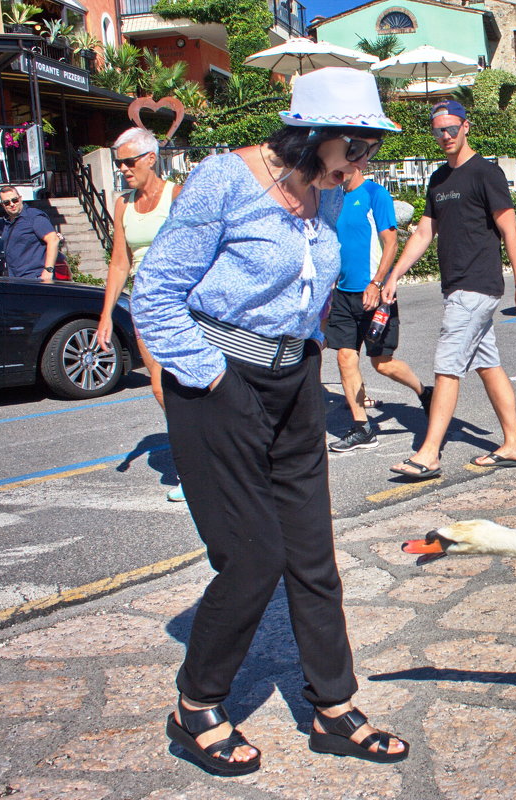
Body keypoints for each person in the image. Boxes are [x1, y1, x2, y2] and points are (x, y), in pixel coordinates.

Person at [132, 67, 408, 777]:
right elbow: (155, 294)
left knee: (313, 555)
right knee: (253, 558)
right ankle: (196, 705)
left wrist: (308, 359)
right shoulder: (226, 180)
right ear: (315, 134)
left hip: (294, 384)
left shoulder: (318, 193)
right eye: (360, 143)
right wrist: (213, 377)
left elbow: (306, 292)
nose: (366, 159)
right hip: (222, 383)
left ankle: (333, 707)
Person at [381, 100, 516, 480]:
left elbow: (509, 230)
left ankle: (429, 454)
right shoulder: (439, 179)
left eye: (451, 128)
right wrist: (394, 274)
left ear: (466, 127)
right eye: (439, 130)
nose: (446, 136)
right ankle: (514, 443)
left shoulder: (486, 173)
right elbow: (423, 232)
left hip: (476, 286)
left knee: (447, 367)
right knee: (487, 364)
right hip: (456, 287)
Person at [96, 127, 185, 500]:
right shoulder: (123, 204)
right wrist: (104, 316)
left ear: (151, 158)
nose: (123, 169)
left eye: (129, 162)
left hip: (180, 302)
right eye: (119, 164)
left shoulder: (177, 195)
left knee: (180, 384)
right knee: (161, 387)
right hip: (143, 304)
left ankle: (200, 460)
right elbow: (119, 262)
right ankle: (192, 460)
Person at [326, 167, 432, 453]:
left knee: (382, 363)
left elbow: (391, 243)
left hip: (375, 293)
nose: (335, 172)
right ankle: (362, 428)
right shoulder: (332, 197)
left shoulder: (375, 194)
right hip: (343, 295)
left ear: (356, 165)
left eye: (340, 168)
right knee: (345, 358)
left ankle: (425, 392)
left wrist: (377, 283)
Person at [0, 186, 58, 283]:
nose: (12, 204)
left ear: (20, 198)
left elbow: (53, 240)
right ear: (2, 205)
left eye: (15, 200)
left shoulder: (33, 216)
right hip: (16, 279)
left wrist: (48, 270)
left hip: (34, 278)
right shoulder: (7, 222)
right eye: (7, 202)